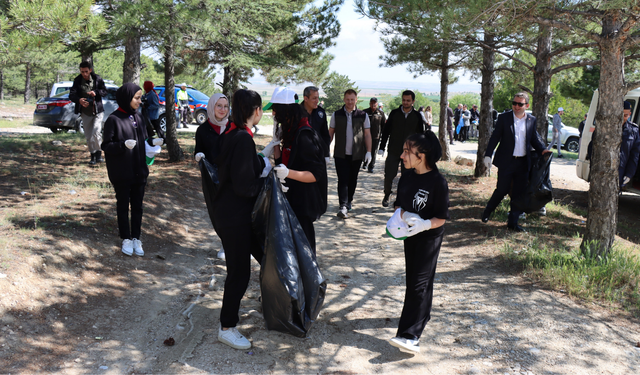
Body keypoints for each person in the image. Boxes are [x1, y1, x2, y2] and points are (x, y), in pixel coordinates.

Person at [212, 89, 273, 350]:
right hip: (234, 216)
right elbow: (243, 184)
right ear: (255, 111)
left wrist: (260, 160)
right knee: (239, 273)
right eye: (261, 109)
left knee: (258, 259)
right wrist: (265, 171)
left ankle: (270, 303)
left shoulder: (233, 134)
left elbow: (240, 167)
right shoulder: (242, 139)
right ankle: (227, 326)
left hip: (231, 213)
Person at [387, 131, 449, 354]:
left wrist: (424, 224)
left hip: (429, 238)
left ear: (421, 155)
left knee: (419, 284)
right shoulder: (407, 176)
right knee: (416, 281)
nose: (402, 156)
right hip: (410, 236)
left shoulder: (438, 182)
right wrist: (405, 216)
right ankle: (421, 318)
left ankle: (410, 335)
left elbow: (441, 218)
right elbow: (398, 205)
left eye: (407, 151)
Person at [101, 83, 163, 256]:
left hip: (139, 170)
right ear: (126, 98)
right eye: (136, 97)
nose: (140, 101)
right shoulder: (114, 119)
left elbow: (145, 139)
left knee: (138, 206)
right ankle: (126, 238)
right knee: (123, 204)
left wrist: (153, 142)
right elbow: (106, 145)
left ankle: (136, 237)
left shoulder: (140, 117)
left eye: (140, 97)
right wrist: (122, 145)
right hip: (122, 171)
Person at [268, 87, 327, 254]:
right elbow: (283, 162)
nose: (274, 116)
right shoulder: (290, 132)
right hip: (291, 199)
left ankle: (310, 279)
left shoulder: (305, 135)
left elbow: (316, 174)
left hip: (303, 202)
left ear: (287, 112)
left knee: (305, 249)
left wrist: (288, 173)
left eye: (276, 112)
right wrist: (276, 145)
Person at [481, 92, 550, 232]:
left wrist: (543, 150)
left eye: (520, 104)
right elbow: (495, 137)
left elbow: (534, 139)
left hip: (523, 163)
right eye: (514, 103)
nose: (516, 106)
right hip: (507, 161)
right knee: (502, 189)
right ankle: (487, 212)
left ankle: (512, 223)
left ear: (527, 105)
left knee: (518, 193)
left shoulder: (531, 120)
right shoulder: (504, 118)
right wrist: (488, 155)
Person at [194, 93, 231, 260]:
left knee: (233, 210)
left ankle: (235, 244)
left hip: (232, 177)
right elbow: (198, 150)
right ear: (212, 107)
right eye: (219, 106)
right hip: (212, 179)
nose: (223, 110)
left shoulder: (233, 127)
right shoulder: (203, 130)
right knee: (218, 211)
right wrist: (198, 156)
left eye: (225, 106)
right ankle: (225, 241)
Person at [329, 89, 373, 219]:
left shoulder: (362, 115)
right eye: (347, 99)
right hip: (340, 154)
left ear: (356, 100)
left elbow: (367, 134)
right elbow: (330, 132)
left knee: (352, 179)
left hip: (357, 154)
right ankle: (342, 205)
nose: (349, 102)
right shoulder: (336, 115)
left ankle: (348, 201)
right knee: (342, 179)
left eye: (352, 99)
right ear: (344, 99)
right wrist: (325, 149)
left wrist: (369, 152)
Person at [378, 90, 425, 207]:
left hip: (410, 153)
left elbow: (420, 135)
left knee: (407, 177)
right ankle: (387, 194)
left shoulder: (417, 116)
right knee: (389, 174)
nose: (405, 102)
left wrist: (420, 152)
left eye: (408, 100)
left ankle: (402, 199)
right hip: (394, 150)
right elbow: (386, 132)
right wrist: (382, 147)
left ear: (413, 101)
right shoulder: (394, 114)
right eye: (404, 100)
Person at [69, 61, 108, 165]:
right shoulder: (77, 80)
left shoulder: (97, 79)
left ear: (90, 70)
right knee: (88, 136)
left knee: (96, 132)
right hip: (85, 112)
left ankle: (99, 154)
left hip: (98, 111)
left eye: (86, 71)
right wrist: (79, 100)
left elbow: (104, 91)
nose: (84, 74)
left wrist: (96, 92)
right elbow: (71, 95)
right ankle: (93, 155)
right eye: (82, 72)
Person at [301, 86, 331, 164]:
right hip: (301, 155)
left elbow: (325, 135)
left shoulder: (320, 113)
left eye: (318, 98)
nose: (317, 101)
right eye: (314, 98)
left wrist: (326, 153)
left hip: (318, 155)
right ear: (306, 98)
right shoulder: (297, 113)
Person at [618, 101, 640, 188]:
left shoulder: (633, 131)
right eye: (621, 115)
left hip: (620, 170)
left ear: (629, 114)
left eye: (625, 115)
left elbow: (634, 154)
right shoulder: (606, 127)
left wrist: (629, 173)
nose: (622, 118)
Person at [362, 97, 387, 173]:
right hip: (365, 136)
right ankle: (365, 163)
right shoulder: (364, 112)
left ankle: (371, 166)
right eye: (372, 103)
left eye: (375, 103)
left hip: (375, 136)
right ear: (369, 103)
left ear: (377, 104)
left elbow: (383, 126)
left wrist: (383, 136)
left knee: (373, 151)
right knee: (365, 150)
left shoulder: (380, 113)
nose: (373, 104)